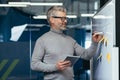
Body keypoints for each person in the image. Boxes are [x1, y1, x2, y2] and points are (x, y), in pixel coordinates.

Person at [31, 6, 103, 80]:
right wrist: (55, 67)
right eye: (62, 18)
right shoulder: (42, 40)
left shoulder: (70, 40)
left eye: (65, 18)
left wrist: (94, 43)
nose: (65, 21)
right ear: (52, 19)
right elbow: (34, 64)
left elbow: (87, 55)